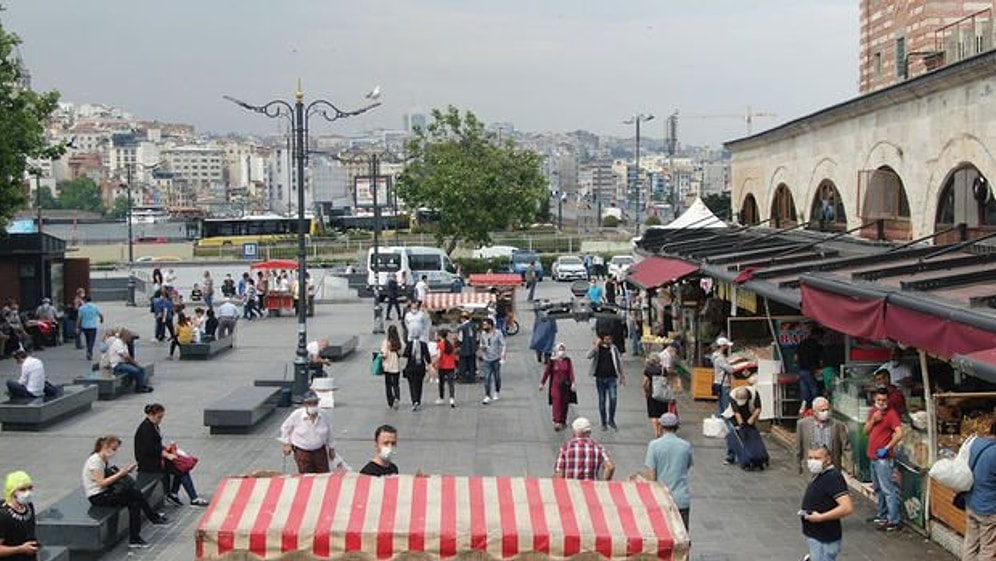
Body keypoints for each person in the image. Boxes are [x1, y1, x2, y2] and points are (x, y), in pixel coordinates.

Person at [83, 435, 167, 549]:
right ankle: (141, 531)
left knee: (135, 495)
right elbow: (101, 483)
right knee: (134, 500)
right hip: (98, 496)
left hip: (105, 492)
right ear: (105, 446)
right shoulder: (95, 461)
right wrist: (121, 474)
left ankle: (145, 526)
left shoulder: (103, 459)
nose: (115, 452)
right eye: (113, 449)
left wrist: (124, 471)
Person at [134, 403, 209, 507]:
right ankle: (192, 497)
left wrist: (166, 449)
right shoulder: (146, 429)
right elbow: (150, 448)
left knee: (180, 468)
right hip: (149, 463)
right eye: (159, 417)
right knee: (181, 469)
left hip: (154, 458)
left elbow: (155, 445)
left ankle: (174, 493)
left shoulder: (152, 425)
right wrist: (167, 454)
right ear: (151, 414)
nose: (160, 420)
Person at [799, 445, 854, 561]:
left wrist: (820, 517)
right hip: (816, 535)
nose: (813, 461)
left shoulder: (833, 478)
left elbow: (847, 508)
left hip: (824, 538)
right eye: (810, 458)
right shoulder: (820, 475)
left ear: (828, 459)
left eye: (817, 458)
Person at [643, 412, 693, 530]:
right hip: (681, 499)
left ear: (660, 426)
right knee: (681, 538)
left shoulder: (654, 445)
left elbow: (651, 476)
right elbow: (687, 465)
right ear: (677, 427)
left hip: (661, 499)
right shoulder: (685, 445)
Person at [863, 387, 903, 532]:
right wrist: (873, 420)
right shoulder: (872, 412)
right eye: (879, 400)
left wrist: (887, 447)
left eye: (884, 400)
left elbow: (899, 433)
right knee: (879, 488)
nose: (881, 402)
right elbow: (866, 431)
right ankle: (882, 515)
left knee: (888, 489)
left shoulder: (892, 414)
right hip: (873, 456)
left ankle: (894, 520)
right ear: (875, 399)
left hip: (883, 458)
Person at [279, 391, 335, 474]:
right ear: (305, 404)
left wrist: (331, 448)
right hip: (303, 451)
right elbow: (285, 428)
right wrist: (286, 444)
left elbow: (329, 432)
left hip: (319, 451)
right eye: (309, 403)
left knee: (323, 474)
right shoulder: (296, 415)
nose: (312, 405)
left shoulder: (324, 415)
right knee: (306, 475)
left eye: (315, 403)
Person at [963, 421, 996, 561]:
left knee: (970, 543)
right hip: (989, 508)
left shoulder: (976, 443)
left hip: (971, 502)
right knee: (988, 549)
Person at [795, 397, 850, 475]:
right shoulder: (802, 424)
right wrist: (798, 465)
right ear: (814, 411)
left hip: (832, 467)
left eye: (827, 409)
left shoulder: (838, 425)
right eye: (822, 410)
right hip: (812, 468)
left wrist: (849, 467)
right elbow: (798, 447)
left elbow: (846, 447)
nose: (826, 412)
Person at [725, 384, 769, 470]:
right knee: (735, 434)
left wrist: (752, 418)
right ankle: (731, 456)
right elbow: (736, 412)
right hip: (734, 416)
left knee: (752, 434)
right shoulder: (733, 395)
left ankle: (755, 454)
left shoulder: (754, 393)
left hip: (749, 412)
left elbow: (758, 408)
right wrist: (741, 425)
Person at [588, 333, 625, 431]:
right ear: (602, 339)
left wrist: (622, 376)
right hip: (600, 378)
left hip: (612, 378)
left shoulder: (614, 349)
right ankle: (603, 422)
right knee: (602, 400)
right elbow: (588, 356)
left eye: (610, 338)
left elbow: (619, 362)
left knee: (613, 398)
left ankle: (611, 420)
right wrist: (595, 345)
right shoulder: (598, 348)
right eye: (606, 339)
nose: (609, 340)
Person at [0, 470, 38, 559]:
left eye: (30, 488)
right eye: (22, 489)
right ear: (12, 492)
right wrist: (20, 549)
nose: (27, 493)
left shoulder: (29, 506)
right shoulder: (3, 516)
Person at [539, 342, 575, 431]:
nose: (561, 352)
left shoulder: (567, 360)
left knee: (564, 403)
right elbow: (547, 372)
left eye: (563, 350)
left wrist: (573, 383)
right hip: (555, 386)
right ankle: (557, 421)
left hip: (565, 386)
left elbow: (571, 372)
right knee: (557, 403)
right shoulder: (552, 361)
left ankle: (563, 420)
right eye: (560, 350)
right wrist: (542, 383)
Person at [795, 326, 824, 414]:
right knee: (814, 390)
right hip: (812, 370)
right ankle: (815, 410)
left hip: (801, 370)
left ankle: (803, 410)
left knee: (805, 391)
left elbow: (795, 358)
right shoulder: (818, 346)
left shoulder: (801, 343)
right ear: (817, 335)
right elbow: (821, 360)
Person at [642, 353, 672, 435]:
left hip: (652, 394)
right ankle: (661, 431)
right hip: (662, 394)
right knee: (662, 414)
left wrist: (646, 392)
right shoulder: (663, 370)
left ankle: (656, 432)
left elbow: (644, 383)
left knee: (653, 415)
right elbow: (667, 382)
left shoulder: (648, 370)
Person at [478, 317, 506, 404]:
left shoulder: (498, 333)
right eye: (483, 325)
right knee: (487, 377)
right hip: (486, 358)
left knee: (497, 377)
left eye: (486, 325)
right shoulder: (483, 334)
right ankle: (487, 395)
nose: (484, 326)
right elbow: (481, 343)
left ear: (490, 325)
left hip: (496, 358)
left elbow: (503, 344)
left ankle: (497, 391)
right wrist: (482, 347)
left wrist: (503, 354)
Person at [403, 335, 431, 412]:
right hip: (420, 367)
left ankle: (414, 400)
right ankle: (418, 400)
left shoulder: (409, 344)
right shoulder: (423, 344)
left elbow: (405, 354)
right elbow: (427, 357)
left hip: (411, 367)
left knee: (412, 385)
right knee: (419, 384)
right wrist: (429, 363)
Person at [379, 325, 404, 410]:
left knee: (388, 385)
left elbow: (384, 354)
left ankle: (390, 401)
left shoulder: (386, 342)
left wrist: (380, 356)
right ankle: (397, 397)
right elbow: (401, 353)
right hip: (396, 366)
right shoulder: (399, 342)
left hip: (388, 366)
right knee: (396, 384)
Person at [711, 337, 735, 416]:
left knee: (721, 407)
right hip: (724, 384)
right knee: (726, 408)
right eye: (727, 346)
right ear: (723, 346)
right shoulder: (720, 358)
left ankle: (723, 424)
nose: (728, 348)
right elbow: (730, 370)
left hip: (718, 383)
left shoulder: (715, 356)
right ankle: (729, 426)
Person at [434, 329, 458, 407]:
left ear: (440, 336)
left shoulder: (440, 344)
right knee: (451, 383)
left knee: (441, 383)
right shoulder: (450, 344)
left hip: (442, 366)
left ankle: (441, 398)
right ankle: (452, 398)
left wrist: (433, 363)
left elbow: (439, 356)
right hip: (451, 366)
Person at [76, 296, 103, 361]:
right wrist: (101, 320)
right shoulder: (95, 307)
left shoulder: (81, 308)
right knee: (92, 340)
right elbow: (100, 315)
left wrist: (77, 327)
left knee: (88, 340)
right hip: (93, 327)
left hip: (85, 327)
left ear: (84, 300)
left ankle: (89, 351)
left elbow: (79, 318)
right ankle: (89, 352)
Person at [456, 312, 478, 384]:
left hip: (464, 348)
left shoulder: (462, 328)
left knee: (463, 364)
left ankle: (462, 378)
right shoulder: (474, 326)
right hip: (472, 348)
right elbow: (477, 338)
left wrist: (457, 345)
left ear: (463, 318)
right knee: (472, 363)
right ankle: (472, 378)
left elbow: (460, 339)